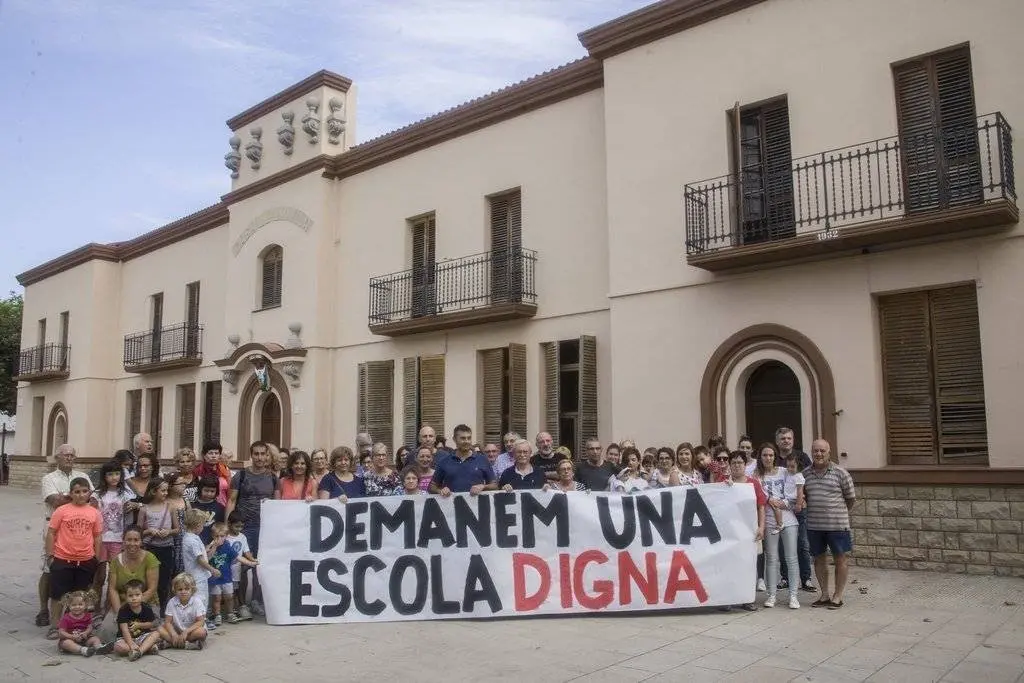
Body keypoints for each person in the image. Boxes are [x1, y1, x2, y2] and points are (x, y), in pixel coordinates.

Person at [38, 444, 91, 630]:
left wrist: (68, 496)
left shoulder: (82, 476)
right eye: (65, 455)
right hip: (54, 525)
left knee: (74, 571)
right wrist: (76, 497)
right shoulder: (48, 478)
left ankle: (73, 613)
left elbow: (91, 498)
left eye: (72, 455)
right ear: (57, 457)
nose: (69, 458)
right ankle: (44, 610)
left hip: (78, 528)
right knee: (48, 568)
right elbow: (55, 501)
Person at [45, 476, 102, 639]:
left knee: (81, 595)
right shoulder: (61, 511)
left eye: (84, 491)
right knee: (58, 595)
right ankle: (55, 626)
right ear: (70, 493)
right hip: (63, 558)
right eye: (77, 492)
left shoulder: (94, 513)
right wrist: (50, 556)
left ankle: (77, 625)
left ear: (89, 493)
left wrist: (96, 558)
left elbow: (97, 536)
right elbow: (51, 533)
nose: (81, 495)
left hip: (86, 560)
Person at [226, 440, 277, 618]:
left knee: (259, 565)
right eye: (256, 454)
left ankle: (256, 600)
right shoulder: (240, 476)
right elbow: (231, 501)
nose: (260, 457)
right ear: (251, 455)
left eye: (263, 454)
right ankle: (241, 604)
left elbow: (277, 504)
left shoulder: (272, 477)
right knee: (240, 566)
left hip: (266, 529)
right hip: (243, 528)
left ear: (268, 456)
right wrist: (227, 526)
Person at [803, 439, 856, 610]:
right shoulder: (805, 474)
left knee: (840, 559)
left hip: (837, 525)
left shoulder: (841, 473)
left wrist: (837, 514)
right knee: (819, 560)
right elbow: (803, 497)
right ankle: (824, 594)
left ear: (829, 452)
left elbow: (850, 499)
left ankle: (838, 596)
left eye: (822, 451)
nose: (818, 454)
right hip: (814, 526)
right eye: (815, 451)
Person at [755, 443, 801, 610]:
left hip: (788, 519)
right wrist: (768, 500)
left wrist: (784, 502)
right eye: (765, 455)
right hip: (768, 520)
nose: (768, 458)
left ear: (775, 456)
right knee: (772, 559)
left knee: (791, 558)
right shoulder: (757, 476)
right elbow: (757, 495)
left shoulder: (784, 471)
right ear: (760, 457)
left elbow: (795, 491)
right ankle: (772, 595)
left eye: (771, 455)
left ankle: (793, 595)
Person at [92, 460, 141, 612]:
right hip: (100, 539)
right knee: (98, 577)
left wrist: (136, 505)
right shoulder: (98, 494)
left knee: (113, 577)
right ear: (104, 476)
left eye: (116, 474)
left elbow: (139, 504)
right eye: (110, 474)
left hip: (118, 540)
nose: (114, 477)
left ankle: (109, 608)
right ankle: (95, 608)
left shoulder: (125, 494)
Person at [726, 450, 766, 613]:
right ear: (730, 465)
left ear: (745, 465)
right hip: (731, 532)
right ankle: (729, 598)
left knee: (749, 565)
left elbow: (761, 506)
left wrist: (761, 527)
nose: (737, 465)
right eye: (734, 462)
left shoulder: (753, 483)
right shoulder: (724, 482)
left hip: (750, 530)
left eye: (740, 462)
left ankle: (747, 599)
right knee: (731, 564)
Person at [208, 521, 256, 624]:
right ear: (212, 536)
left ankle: (230, 613)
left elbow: (238, 557)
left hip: (227, 577)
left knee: (229, 596)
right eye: (217, 536)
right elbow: (207, 558)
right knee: (217, 598)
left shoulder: (227, 546)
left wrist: (250, 563)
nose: (219, 539)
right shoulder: (210, 546)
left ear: (226, 536)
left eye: (222, 536)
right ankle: (217, 615)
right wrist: (214, 546)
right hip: (214, 578)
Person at [139, 478, 177, 609]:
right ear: (153, 491)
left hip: (166, 548)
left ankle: (162, 609)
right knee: (147, 579)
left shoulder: (170, 507)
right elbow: (138, 532)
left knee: (164, 580)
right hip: (150, 548)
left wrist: (168, 532)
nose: (166, 493)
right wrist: (149, 530)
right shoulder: (144, 509)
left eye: (167, 490)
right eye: (163, 490)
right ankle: (147, 607)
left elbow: (177, 529)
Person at [430, 425, 496, 496]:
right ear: (454, 439)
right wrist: (440, 490)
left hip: (477, 506)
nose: (467, 441)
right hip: (451, 506)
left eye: (469, 438)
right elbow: (432, 487)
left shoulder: (482, 459)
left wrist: (483, 486)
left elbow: (495, 485)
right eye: (463, 438)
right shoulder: (444, 461)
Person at [107, 527, 161, 614]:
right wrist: (119, 613)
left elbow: (152, 589)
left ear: (141, 542)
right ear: (123, 541)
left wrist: (133, 610)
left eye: (136, 540)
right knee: (107, 627)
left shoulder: (150, 558)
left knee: (147, 626)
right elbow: (113, 589)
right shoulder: (115, 561)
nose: (132, 543)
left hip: (147, 602)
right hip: (123, 602)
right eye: (129, 540)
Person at [181, 509, 219, 620]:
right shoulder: (191, 540)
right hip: (197, 577)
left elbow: (203, 556)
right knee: (200, 600)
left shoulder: (193, 538)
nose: (203, 527)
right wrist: (212, 569)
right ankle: (200, 622)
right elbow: (200, 559)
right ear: (197, 525)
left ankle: (201, 621)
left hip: (199, 575)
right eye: (203, 525)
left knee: (201, 600)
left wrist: (213, 547)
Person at [113, 579, 161, 661]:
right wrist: (131, 644)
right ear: (126, 597)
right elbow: (124, 630)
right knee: (119, 648)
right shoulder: (123, 610)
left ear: (142, 595)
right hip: (126, 638)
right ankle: (147, 647)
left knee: (156, 634)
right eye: (130, 596)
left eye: (137, 595)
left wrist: (139, 625)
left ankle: (139, 652)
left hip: (142, 636)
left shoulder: (146, 608)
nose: (134, 598)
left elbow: (152, 624)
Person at [159, 573, 207, 650]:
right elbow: (167, 622)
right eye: (180, 589)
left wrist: (186, 632)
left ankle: (172, 643)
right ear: (175, 590)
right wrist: (174, 634)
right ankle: (186, 644)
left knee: (201, 632)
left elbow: (201, 622)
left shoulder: (197, 601)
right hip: (177, 631)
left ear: (192, 589)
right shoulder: (172, 602)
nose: (183, 591)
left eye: (187, 589)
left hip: (191, 631)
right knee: (160, 628)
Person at [225, 513, 258, 621]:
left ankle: (241, 607)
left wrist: (252, 560)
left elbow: (246, 551)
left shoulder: (242, 536)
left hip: (238, 567)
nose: (239, 529)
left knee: (238, 587)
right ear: (229, 524)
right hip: (226, 568)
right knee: (231, 590)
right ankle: (232, 610)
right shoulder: (225, 537)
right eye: (237, 526)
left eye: (241, 526)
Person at [56, 590, 104, 657]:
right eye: (73, 605)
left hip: (84, 638)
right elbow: (61, 632)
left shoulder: (87, 615)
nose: (77, 607)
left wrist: (86, 633)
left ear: (85, 605)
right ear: (69, 606)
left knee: (95, 638)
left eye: (80, 604)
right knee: (67, 643)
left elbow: (90, 627)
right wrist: (72, 637)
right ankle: (82, 650)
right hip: (70, 639)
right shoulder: (66, 618)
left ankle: (99, 648)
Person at [194, 441, 230, 507]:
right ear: (204, 455)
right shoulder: (197, 471)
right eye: (210, 453)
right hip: (203, 509)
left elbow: (230, 492)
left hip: (223, 508)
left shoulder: (225, 469)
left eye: (216, 453)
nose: (214, 456)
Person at [191, 477, 225, 545]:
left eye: (212, 491)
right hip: (194, 544)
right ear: (200, 489)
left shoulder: (220, 508)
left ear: (216, 491)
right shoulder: (192, 506)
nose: (209, 494)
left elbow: (221, 527)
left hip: (212, 544)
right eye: (206, 490)